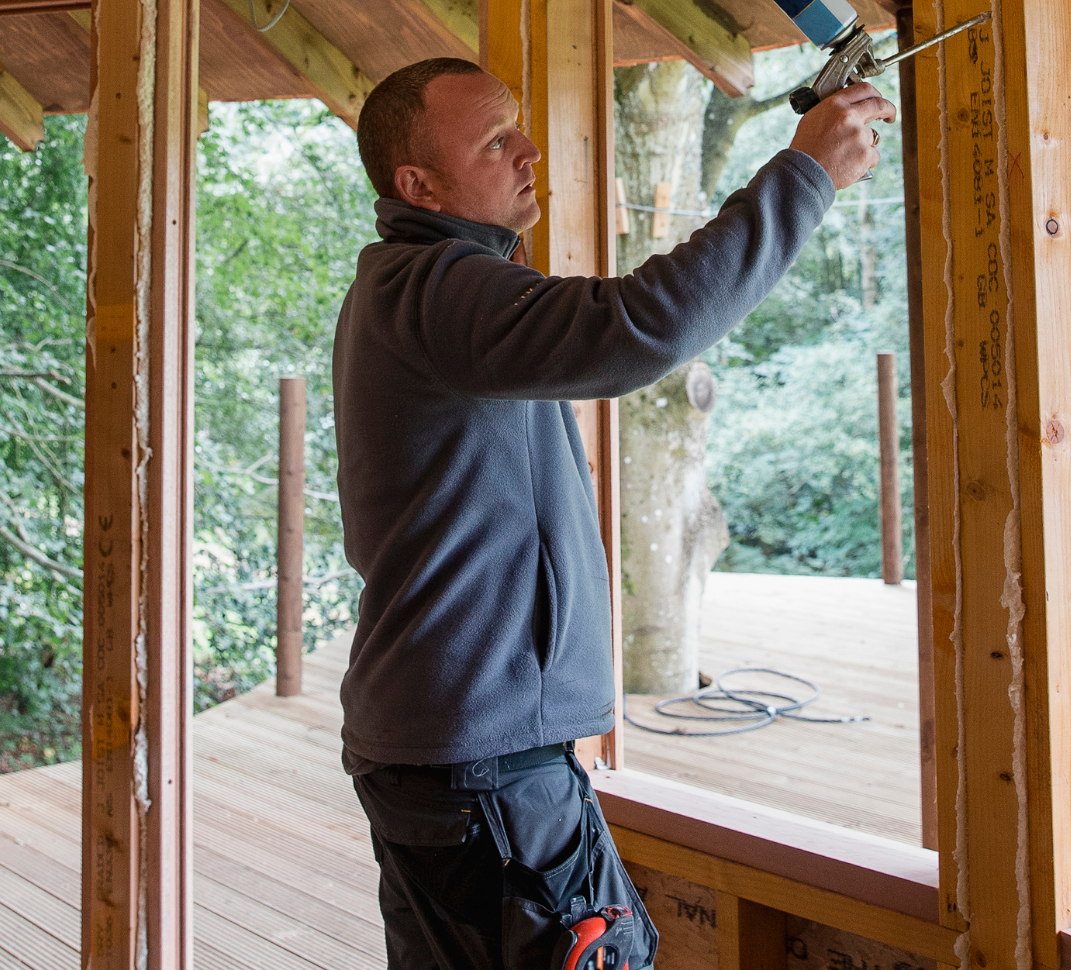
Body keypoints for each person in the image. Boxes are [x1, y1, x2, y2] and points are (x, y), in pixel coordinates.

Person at [331, 55, 893, 970]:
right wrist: (805, 175)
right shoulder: (437, 291)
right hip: (485, 763)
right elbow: (642, 325)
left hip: (454, 754)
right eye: (495, 139)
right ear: (417, 183)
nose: (530, 149)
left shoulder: (421, 294)